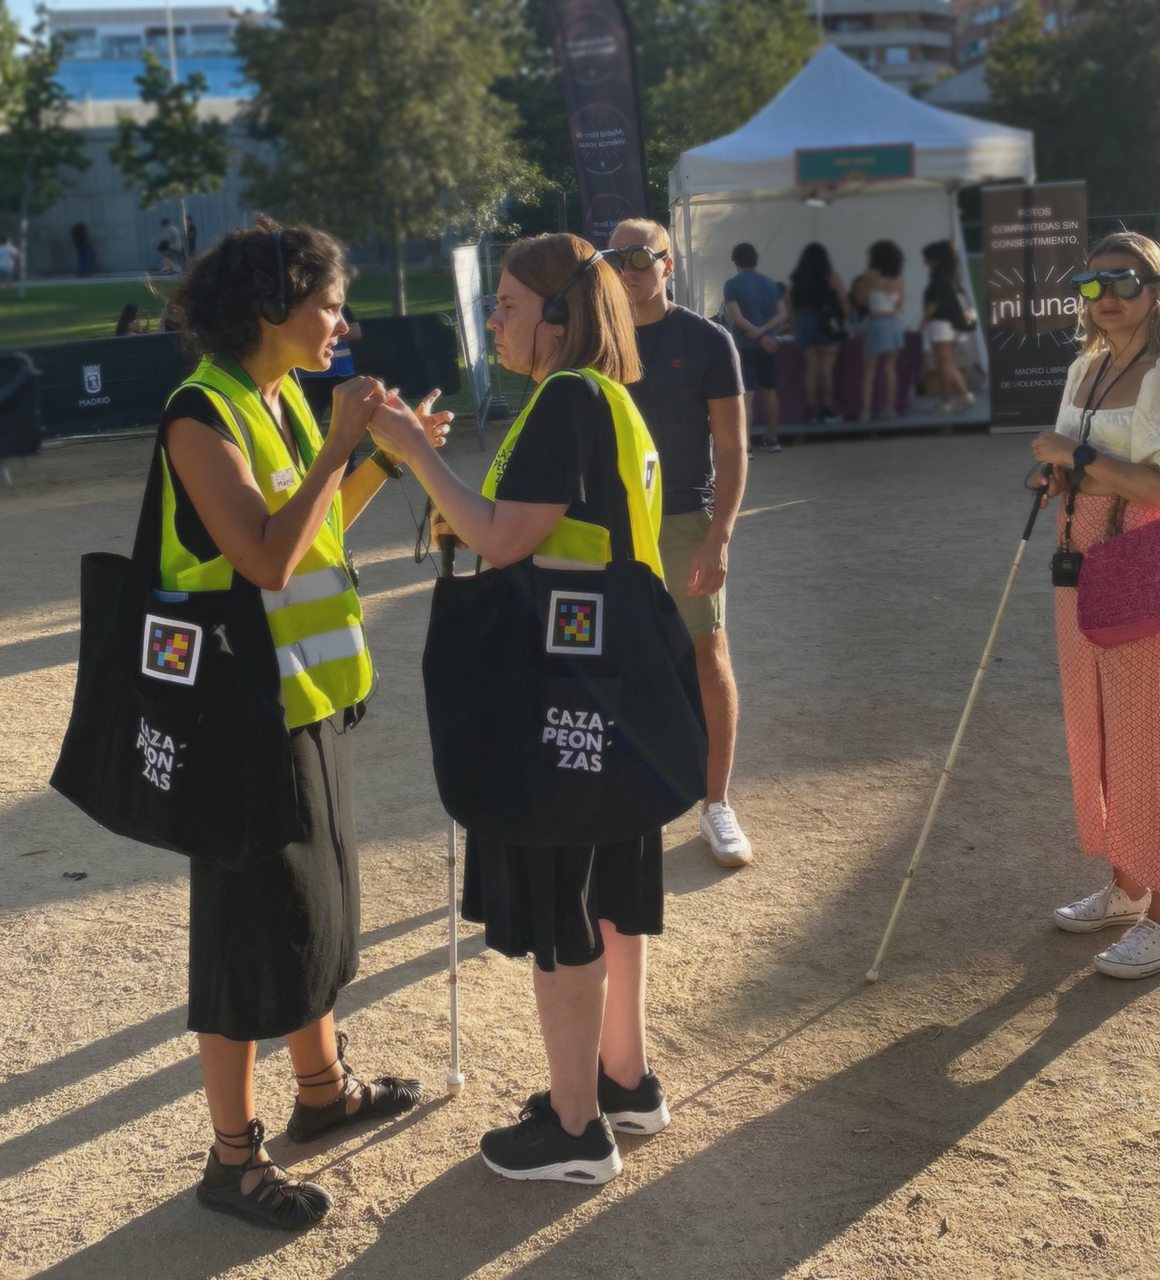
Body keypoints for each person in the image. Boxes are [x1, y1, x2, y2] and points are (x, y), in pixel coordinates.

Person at [368, 232, 672, 1185]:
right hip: (610, 685)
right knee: (611, 894)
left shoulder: (566, 397)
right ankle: (623, 1079)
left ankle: (576, 1129)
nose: (492, 319)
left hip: (561, 688)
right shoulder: (609, 400)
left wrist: (411, 450)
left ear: (555, 314)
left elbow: (502, 540)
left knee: (563, 906)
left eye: (504, 303)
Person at [161, 218, 433, 1228]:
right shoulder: (202, 414)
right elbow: (263, 558)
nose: (341, 322)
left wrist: (375, 467)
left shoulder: (272, 402)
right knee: (242, 931)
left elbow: (307, 535)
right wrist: (340, 443)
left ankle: (321, 1092)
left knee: (315, 905)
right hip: (237, 713)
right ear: (272, 309)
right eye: (327, 304)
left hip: (302, 697)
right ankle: (233, 1159)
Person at [1029, 231, 1160, 980]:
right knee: (1094, 725)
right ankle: (1125, 882)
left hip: (1141, 553)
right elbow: (1083, 462)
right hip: (1079, 551)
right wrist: (1059, 479)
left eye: (1126, 281)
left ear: (1157, 289)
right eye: (1093, 283)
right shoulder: (1087, 367)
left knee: (1147, 733)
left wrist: (1075, 459)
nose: (1107, 296)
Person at [607, 217, 754, 868]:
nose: (627, 269)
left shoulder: (706, 341)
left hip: (683, 520)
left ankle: (715, 804)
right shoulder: (595, 342)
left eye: (640, 257)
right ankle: (615, 802)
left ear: (670, 265)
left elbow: (731, 446)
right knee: (609, 663)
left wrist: (718, 538)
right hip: (609, 527)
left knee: (705, 657)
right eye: (615, 258)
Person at [724, 242, 788, 452]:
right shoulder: (771, 284)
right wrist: (764, 332)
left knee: (746, 395)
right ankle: (772, 439)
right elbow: (782, 314)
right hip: (769, 345)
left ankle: (747, 445)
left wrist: (756, 332)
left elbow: (736, 317)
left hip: (744, 345)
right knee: (769, 391)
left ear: (736, 262)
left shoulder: (731, 285)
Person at [785, 242, 848, 426]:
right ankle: (828, 408)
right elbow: (843, 299)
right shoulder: (831, 276)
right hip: (825, 322)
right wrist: (846, 320)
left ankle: (812, 410)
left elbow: (790, 304)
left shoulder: (796, 278)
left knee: (811, 368)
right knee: (826, 370)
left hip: (804, 323)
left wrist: (795, 327)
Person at [851, 240, 906, 422]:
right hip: (893, 323)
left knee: (869, 371)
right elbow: (899, 304)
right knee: (890, 369)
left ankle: (865, 411)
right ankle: (889, 409)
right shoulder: (898, 278)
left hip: (875, 323)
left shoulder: (870, 275)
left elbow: (862, 300)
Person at [920, 240, 976, 414]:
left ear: (934, 259)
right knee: (947, 363)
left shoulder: (938, 277)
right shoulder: (952, 276)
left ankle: (946, 402)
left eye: (927, 258)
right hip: (954, 325)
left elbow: (931, 306)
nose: (925, 262)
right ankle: (965, 395)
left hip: (941, 325)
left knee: (942, 365)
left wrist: (919, 327)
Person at [299, 304, 361, 425]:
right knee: (309, 423)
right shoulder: (303, 306)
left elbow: (356, 333)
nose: (342, 327)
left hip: (343, 373)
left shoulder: (341, 306)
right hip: (311, 375)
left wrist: (327, 331)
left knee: (346, 423)